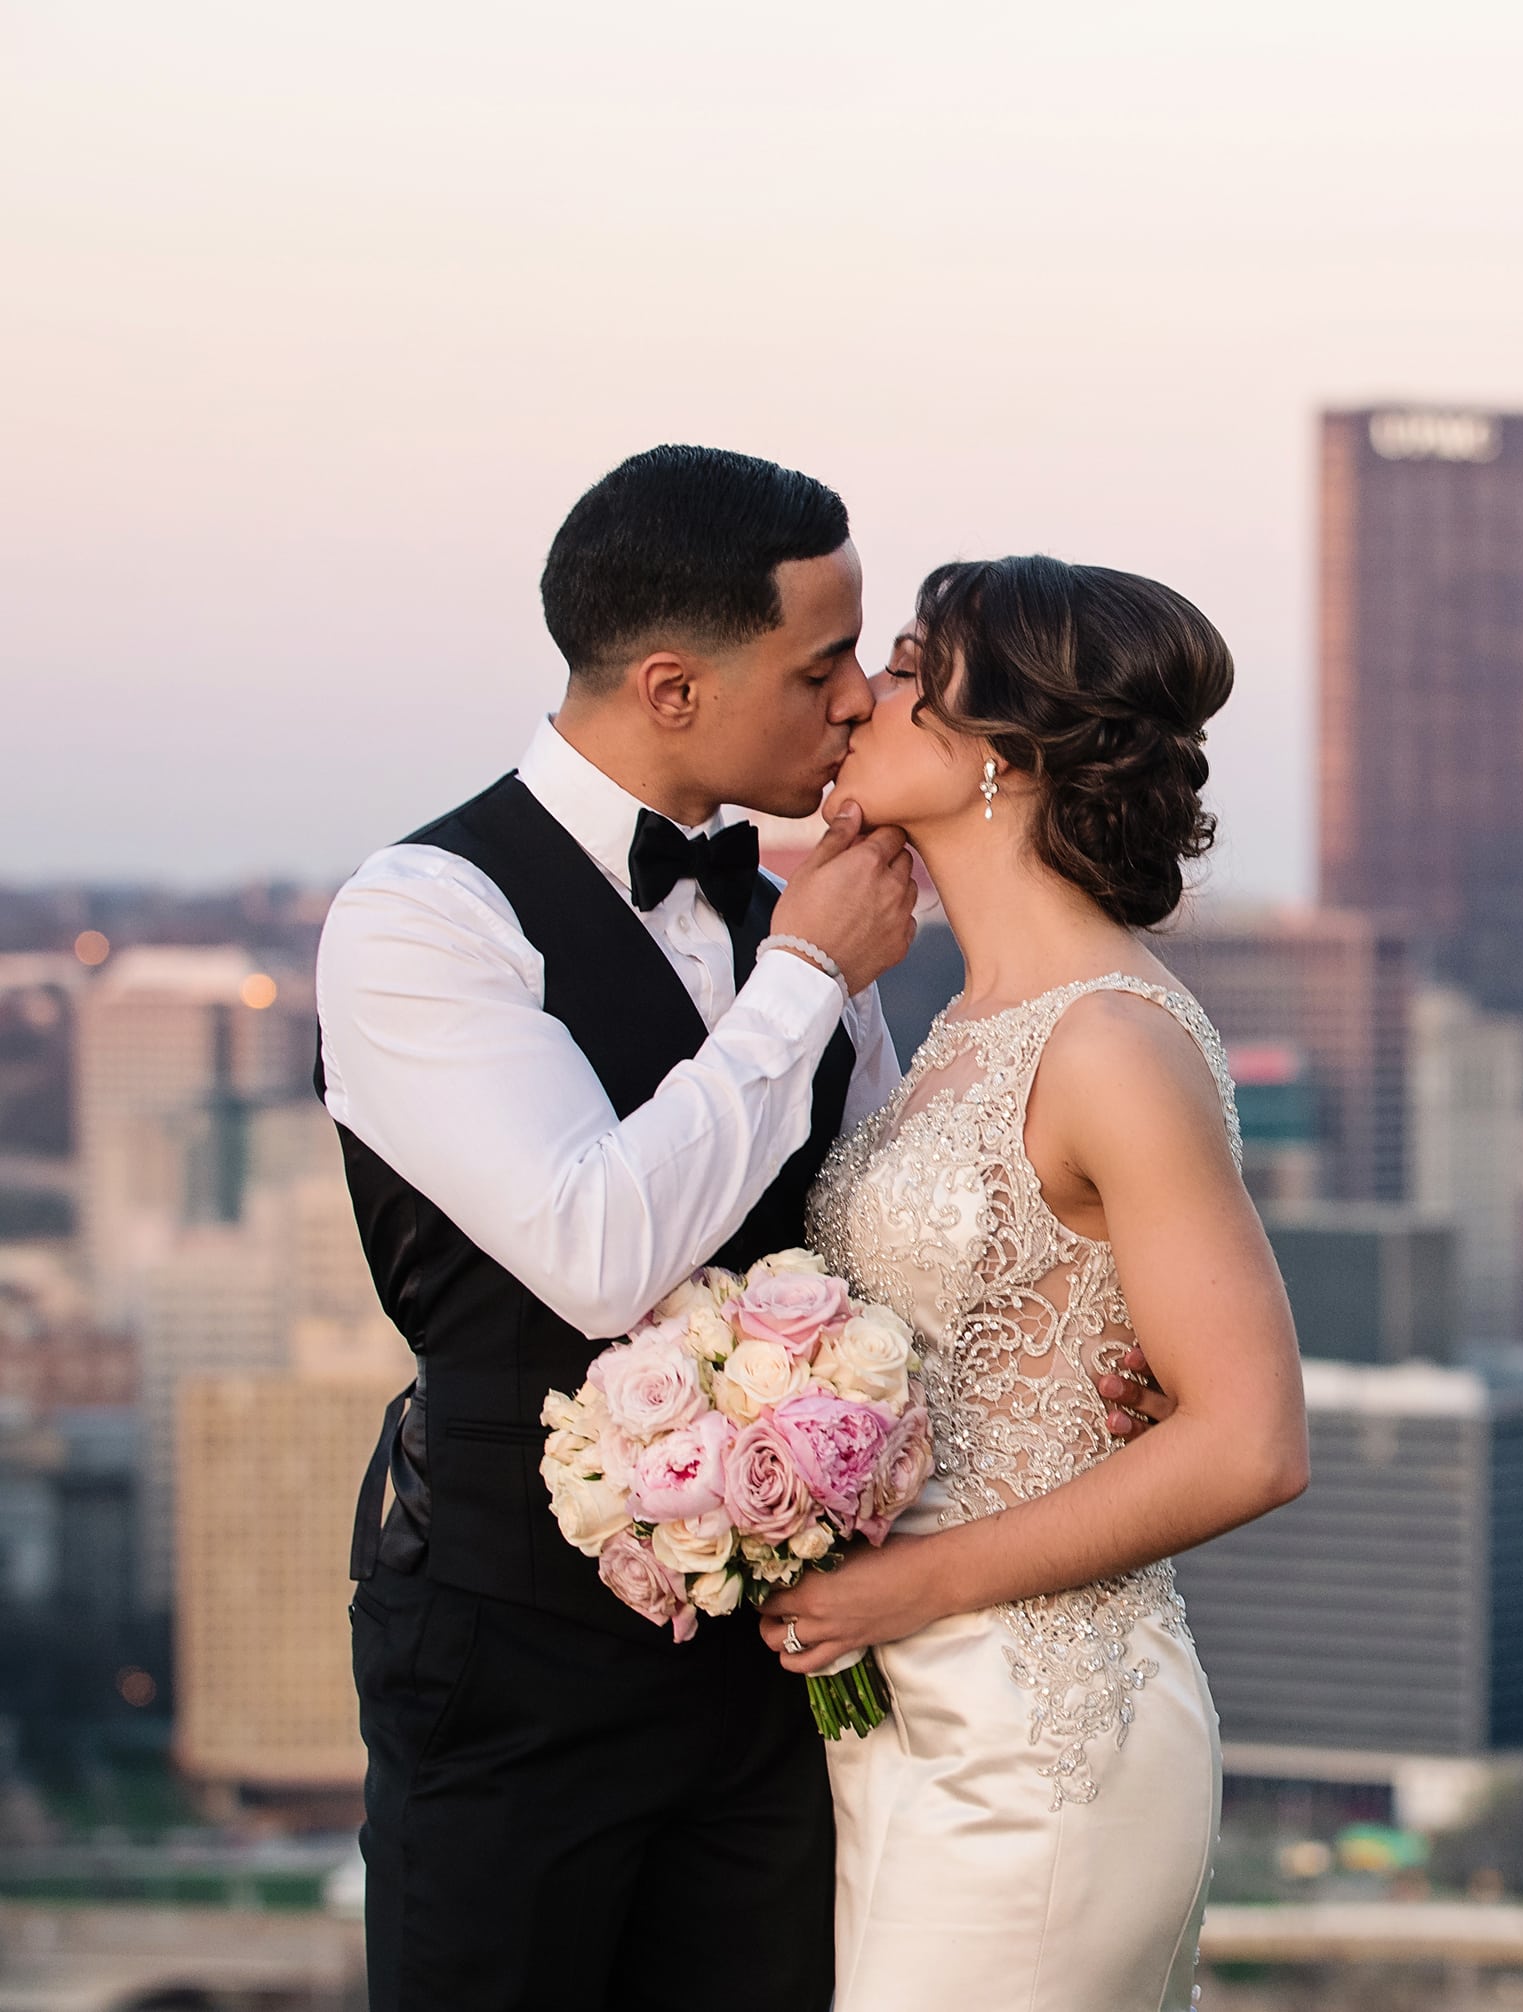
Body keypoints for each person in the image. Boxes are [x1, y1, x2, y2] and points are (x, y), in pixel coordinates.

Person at [314, 447, 1182, 2012]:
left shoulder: (800, 923)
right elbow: (593, 1251)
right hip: (513, 1664)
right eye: (822, 664)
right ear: (670, 686)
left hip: (791, 1685)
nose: (858, 700)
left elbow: (893, 1250)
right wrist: (804, 981)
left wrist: (1101, 1370)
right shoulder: (422, 919)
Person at [758, 554, 1308, 2012]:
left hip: (1038, 1733)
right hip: (900, 1717)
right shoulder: (958, 1033)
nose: (862, 694)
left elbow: (1251, 1437)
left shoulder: (1114, 1044)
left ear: (999, 754)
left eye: (907, 666)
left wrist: (901, 1588)